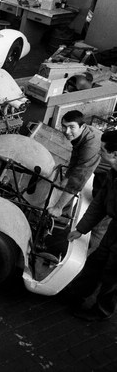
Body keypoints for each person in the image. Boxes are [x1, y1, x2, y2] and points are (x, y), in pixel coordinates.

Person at [61, 130, 117, 321]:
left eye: (102, 150)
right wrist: (81, 229)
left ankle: (102, 311)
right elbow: (99, 203)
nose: (99, 152)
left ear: (114, 154)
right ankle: (75, 293)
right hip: (114, 229)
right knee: (96, 262)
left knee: (112, 274)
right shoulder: (112, 173)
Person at [47, 110, 102, 218]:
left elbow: (79, 177)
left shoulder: (91, 145)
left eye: (71, 127)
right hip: (100, 168)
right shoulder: (81, 134)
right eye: (64, 126)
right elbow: (75, 157)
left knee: (103, 206)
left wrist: (58, 207)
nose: (67, 131)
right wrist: (66, 178)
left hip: (112, 173)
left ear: (82, 126)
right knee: (96, 195)